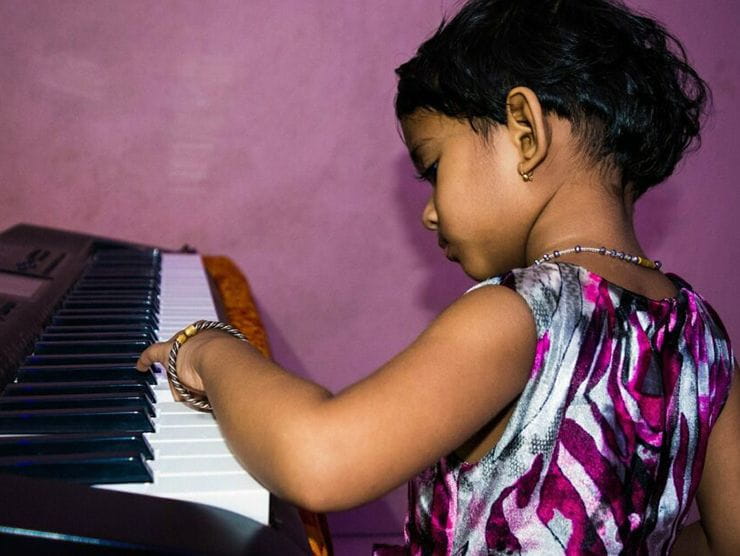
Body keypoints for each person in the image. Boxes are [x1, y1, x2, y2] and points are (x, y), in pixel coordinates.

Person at [137, 0, 738, 553]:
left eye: (433, 166)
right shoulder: (703, 333)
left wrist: (211, 352)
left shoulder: (517, 314)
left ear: (525, 133)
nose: (428, 210)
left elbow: (319, 459)